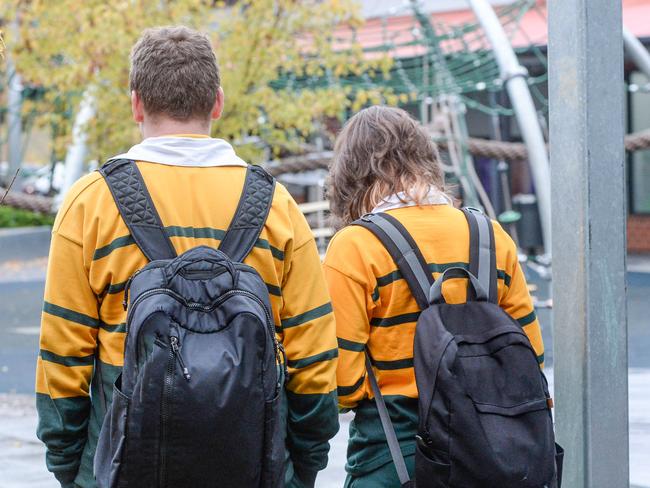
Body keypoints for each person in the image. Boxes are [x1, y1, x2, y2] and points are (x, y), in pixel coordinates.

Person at [36, 26, 338, 488]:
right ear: (217, 102)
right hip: (250, 464)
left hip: (119, 464)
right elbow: (313, 358)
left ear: (136, 102)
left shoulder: (90, 203)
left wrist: (69, 464)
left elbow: (63, 357)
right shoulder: (279, 207)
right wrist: (303, 463)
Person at [323, 105, 545, 487]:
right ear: (426, 159)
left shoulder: (355, 246)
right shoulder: (492, 236)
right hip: (494, 453)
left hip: (396, 455)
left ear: (349, 176)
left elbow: (343, 384)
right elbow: (532, 356)